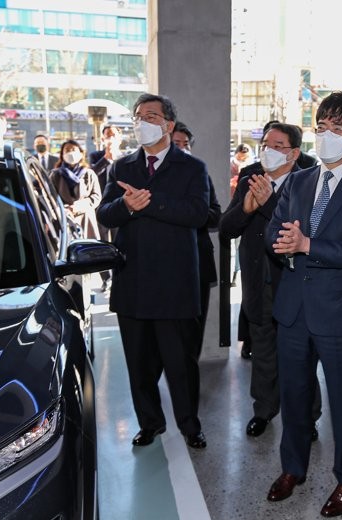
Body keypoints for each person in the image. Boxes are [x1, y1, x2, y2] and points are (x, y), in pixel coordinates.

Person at [264, 91, 342, 516]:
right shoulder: (298, 180)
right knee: (294, 395)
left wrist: (307, 244)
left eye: (337, 128)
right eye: (321, 127)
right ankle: (292, 468)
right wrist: (283, 242)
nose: (327, 136)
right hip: (294, 309)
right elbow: (273, 232)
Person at [96, 93, 209, 450]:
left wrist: (151, 201)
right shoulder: (122, 167)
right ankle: (150, 423)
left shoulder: (192, 168)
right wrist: (126, 205)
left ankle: (190, 425)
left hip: (175, 285)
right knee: (139, 366)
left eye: (151, 116)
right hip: (133, 282)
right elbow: (104, 214)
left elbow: (197, 214)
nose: (142, 122)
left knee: (181, 365)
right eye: (138, 116)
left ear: (168, 125)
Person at [220, 123, 323, 438]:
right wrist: (248, 208)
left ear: (293, 152)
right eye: (266, 142)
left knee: (301, 357)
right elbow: (227, 227)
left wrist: (266, 204)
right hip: (257, 281)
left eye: (278, 145)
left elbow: (300, 227)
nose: (269, 149)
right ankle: (263, 411)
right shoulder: (251, 174)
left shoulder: (310, 179)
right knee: (263, 351)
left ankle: (308, 416)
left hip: (292, 282)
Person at [171, 122, 221, 353]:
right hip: (166, 268)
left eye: (186, 144)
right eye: (176, 144)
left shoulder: (200, 174)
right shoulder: (152, 180)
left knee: (194, 333)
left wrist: (191, 213)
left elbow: (214, 214)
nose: (183, 148)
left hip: (198, 263)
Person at [51, 140, 101, 240]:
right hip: (64, 218)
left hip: (86, 219)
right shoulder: (56, 174)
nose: (70, 153)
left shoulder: (89, 173)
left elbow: (96, 196)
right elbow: (51, 197)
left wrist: (79, 206)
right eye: (67, 150)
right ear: (62, 155)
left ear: (81, 153)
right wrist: (64, 208)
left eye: (73, 149)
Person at [89, 124, 123, 192]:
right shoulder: (95, 156)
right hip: (102, 195)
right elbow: (91, 174)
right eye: (108, 136)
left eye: (114, 135)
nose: (111, 138)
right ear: (103, 139)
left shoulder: (126, 158)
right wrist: (106, 158)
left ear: (120, 140)